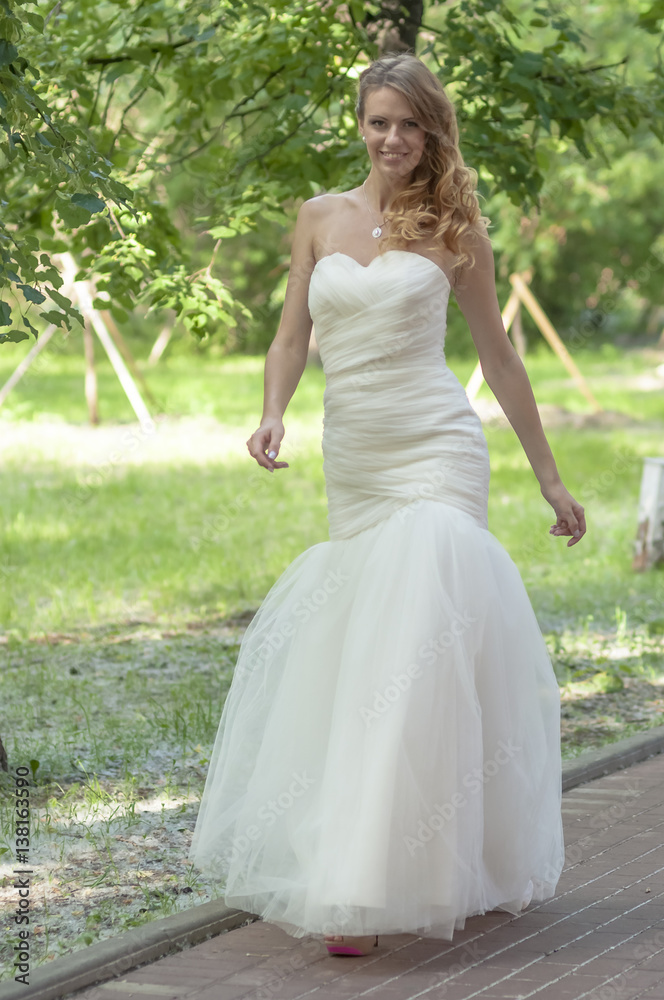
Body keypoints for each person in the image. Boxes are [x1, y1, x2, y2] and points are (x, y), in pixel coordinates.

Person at [188, 52, 586, 958]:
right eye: (378, 122)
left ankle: (360, 885)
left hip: (440, 449)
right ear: (359, 125)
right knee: (373, 650)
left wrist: (551, 479)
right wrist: (271, 412)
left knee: (418, 634)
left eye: (410, 124)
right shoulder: (318, 218)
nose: (393, 139)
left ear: (432, 130)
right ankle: (435, 852)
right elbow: (292, 335)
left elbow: (501, 360)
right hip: (357, 462)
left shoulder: (456, 229)